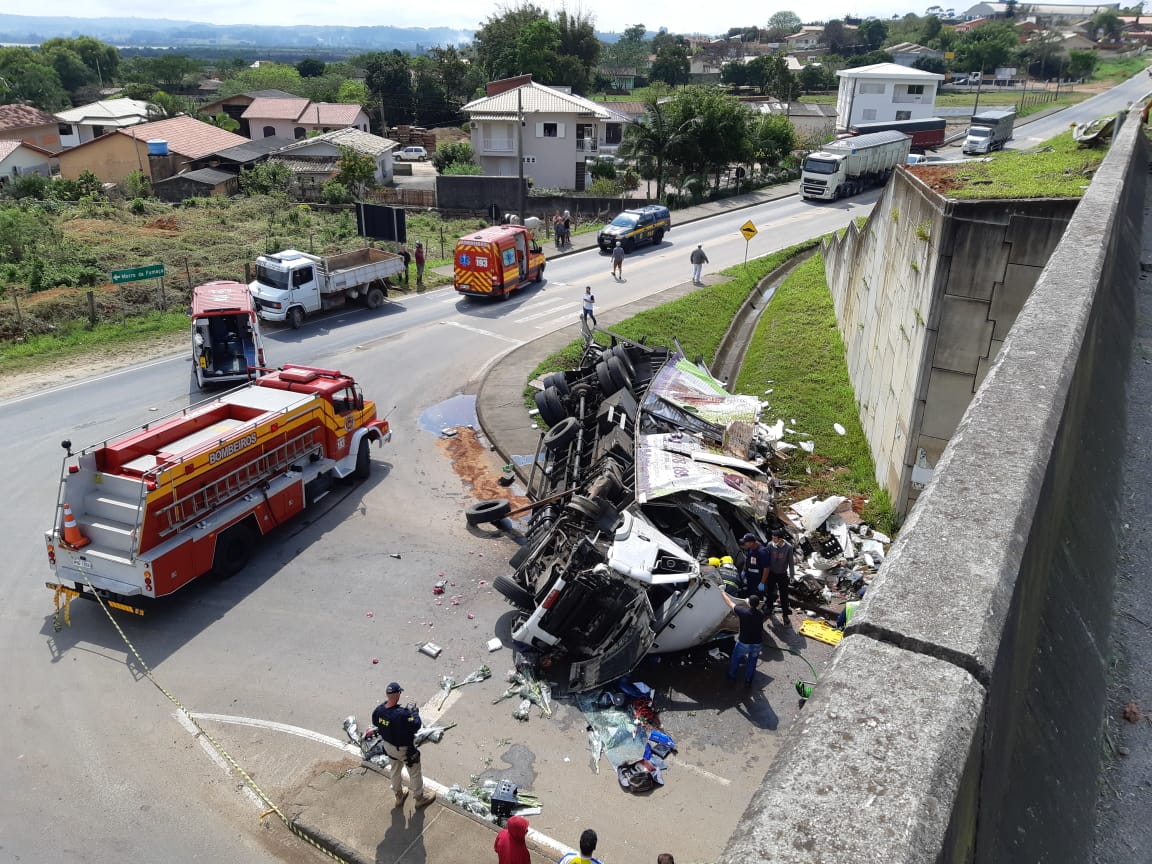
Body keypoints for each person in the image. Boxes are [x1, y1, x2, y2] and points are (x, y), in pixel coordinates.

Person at [372, 682, 437, 808]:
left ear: (387, 694)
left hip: (388, 747)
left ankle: (399, 796)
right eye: (399, 693)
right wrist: (414, 713)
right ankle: (419, 798)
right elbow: (416, 725)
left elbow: (375, 722)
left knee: (395, 770)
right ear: (397, 694)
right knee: (414, 772)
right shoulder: (402, 714)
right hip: (403, 749)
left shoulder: (379, 710)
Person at [722, 592, 768, 686]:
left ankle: (732, 676)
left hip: (744, 642)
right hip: (757, 643)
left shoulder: (743, 612)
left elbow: (730, 603)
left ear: (749, 603)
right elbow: (755, 609)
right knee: (752, 662)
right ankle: (748, 681)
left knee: (735, 658)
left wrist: (722, 592)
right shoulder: (761, 614)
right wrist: (750, 604)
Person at [763, 529, 796, 623]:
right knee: (770, 592)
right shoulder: (770, 545)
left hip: (782, 574)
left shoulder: (788, 547)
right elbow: (766, 557)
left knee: (784, 594)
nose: (773, 539)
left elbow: (791, 562)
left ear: (780, 539)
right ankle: (769, 608)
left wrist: (792, 575)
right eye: (772, 538)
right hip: (772, 573)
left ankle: (785, 614)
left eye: (775, 538)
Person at [739, 532, 767, 598]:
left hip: (758, 580)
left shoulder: (762, 552)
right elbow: (747, 559)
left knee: (757, 598)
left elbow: (766, 568)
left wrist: (762, 583)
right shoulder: (750, 548)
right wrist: (744, 570)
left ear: (751, 542)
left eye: (745, 542)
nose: (744, 544)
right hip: (750, 578)